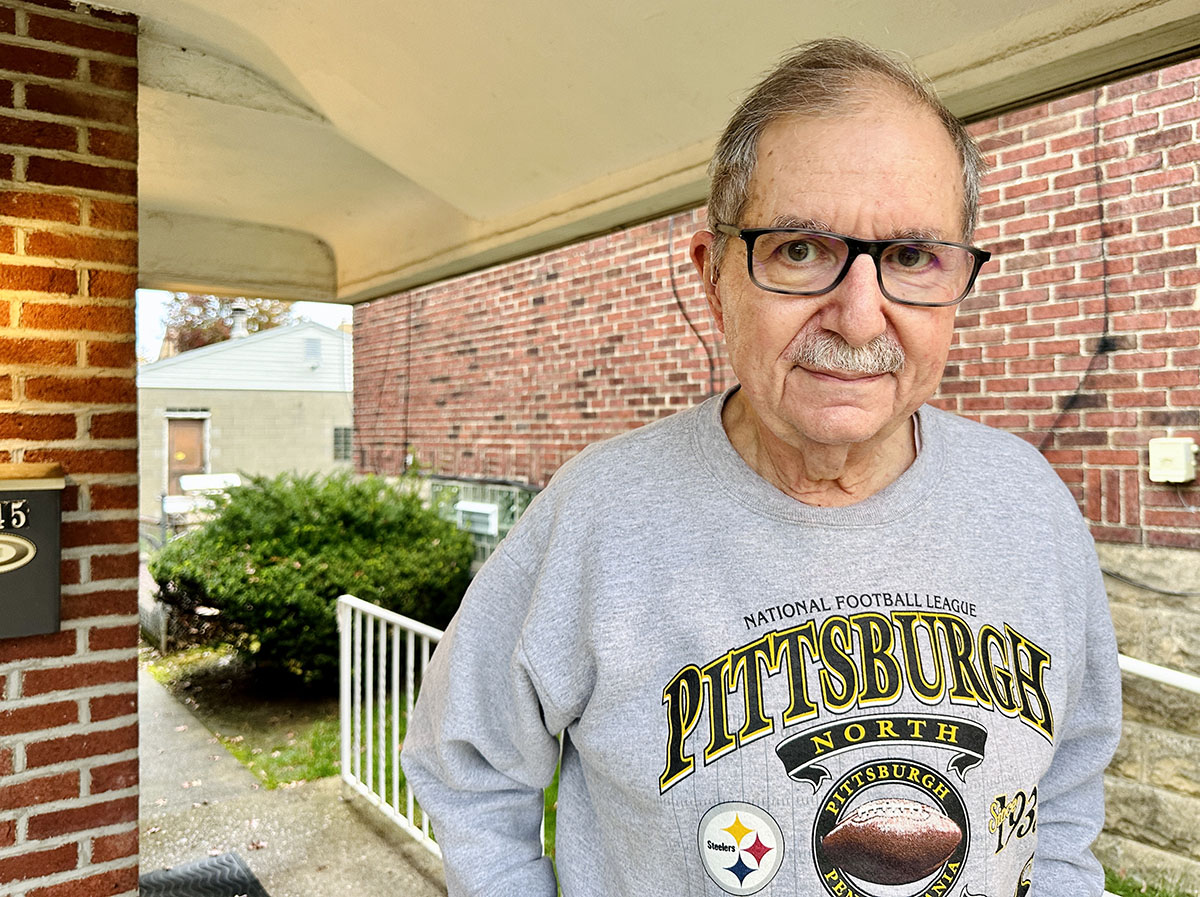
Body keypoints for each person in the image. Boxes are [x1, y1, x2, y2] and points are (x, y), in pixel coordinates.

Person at [402, 37, 1121, 897]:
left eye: (912, 258)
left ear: (959, 280)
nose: (859, 319)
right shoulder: (598, 514)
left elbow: (1068, 785)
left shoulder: (1030, 504)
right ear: (714, 277)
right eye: (800, 249)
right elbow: (468, 762)